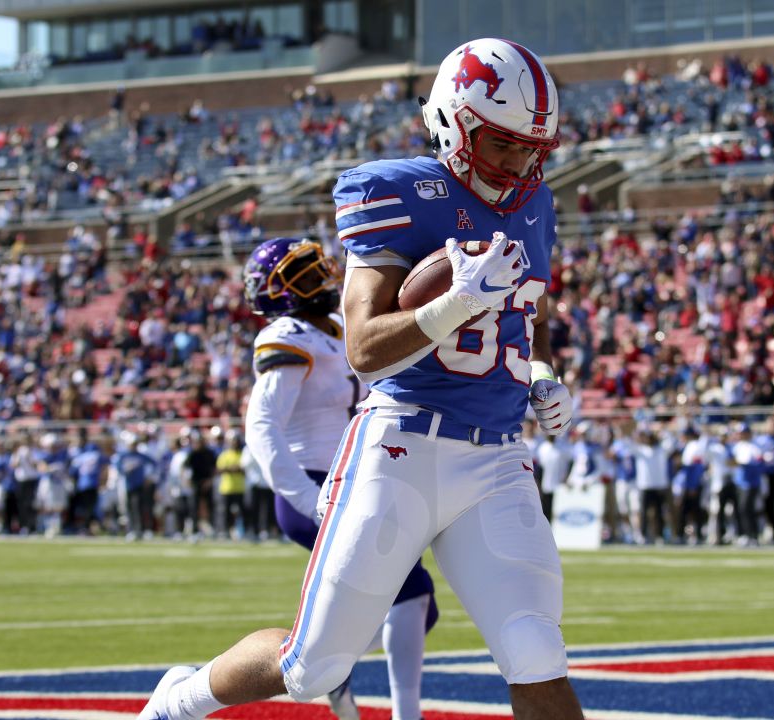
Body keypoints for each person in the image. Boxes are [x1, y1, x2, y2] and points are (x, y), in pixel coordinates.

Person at [138, 38, 583, 720]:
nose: (521, 164)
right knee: (313, 667)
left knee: (536, 653)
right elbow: (366, 349)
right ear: (455, 125)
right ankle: (177, 704)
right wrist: (455, 303)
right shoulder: (395, 190)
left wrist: (543, 373)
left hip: (496, 457)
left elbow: (534, 313)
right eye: (504, 146)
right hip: (401, 447)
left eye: (533, 150)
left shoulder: (536, 204)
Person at [241, 236, 439, 719]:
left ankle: (333, 668)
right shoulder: (288, 335)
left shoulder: (334, 326)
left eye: (319, 270)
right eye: (306, 276)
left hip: (354, 481)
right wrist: (305, 495)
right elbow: (261, 426)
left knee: (417, 606)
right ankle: (403, 713)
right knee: (411, 591)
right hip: (314, 484)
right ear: (279, 292)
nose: (323, 280)